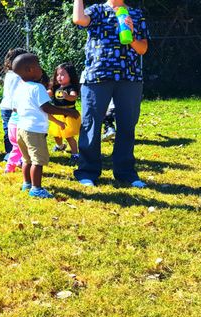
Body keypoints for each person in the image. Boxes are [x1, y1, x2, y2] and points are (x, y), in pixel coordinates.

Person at [73, 0, 150, 188]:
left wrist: (131, 35)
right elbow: (78, 19)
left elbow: (142, 49)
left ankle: (126, 173)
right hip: (97, 76)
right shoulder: (98, 10)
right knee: (91, 124)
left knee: (127, 126)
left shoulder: (136, 14)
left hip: (129, 77)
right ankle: (87, 172)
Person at [12, 53, 80, 198]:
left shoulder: (19, 88)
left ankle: (27, 184)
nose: (40, 69)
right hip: (34, 131)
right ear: (30, 70)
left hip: (21, 129)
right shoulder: (37, 88)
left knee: (26, 159)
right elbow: (47, 108)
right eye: (38, 66)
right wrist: (68, 112)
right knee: (38, 161)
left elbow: (15, 108)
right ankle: (36, 189)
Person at [47, 63, 82, 165]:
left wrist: (67, 97)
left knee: (68, 136)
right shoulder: (56, 88)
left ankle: (75, 154)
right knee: (56, 135)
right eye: (57, 74)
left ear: (70, 75)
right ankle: (60, 146)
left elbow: (74, 97)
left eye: (62, 74)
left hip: (68, 115)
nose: (59, 77)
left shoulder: (71, 88)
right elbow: (48, 93)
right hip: (57, 114)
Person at [0, 48, 28, 159]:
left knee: (9, 130)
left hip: (8, 107)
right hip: (12, 107)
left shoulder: (10, 74)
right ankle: (11, 152)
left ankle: (12, 152)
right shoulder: (18, 76)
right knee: (12, 130)